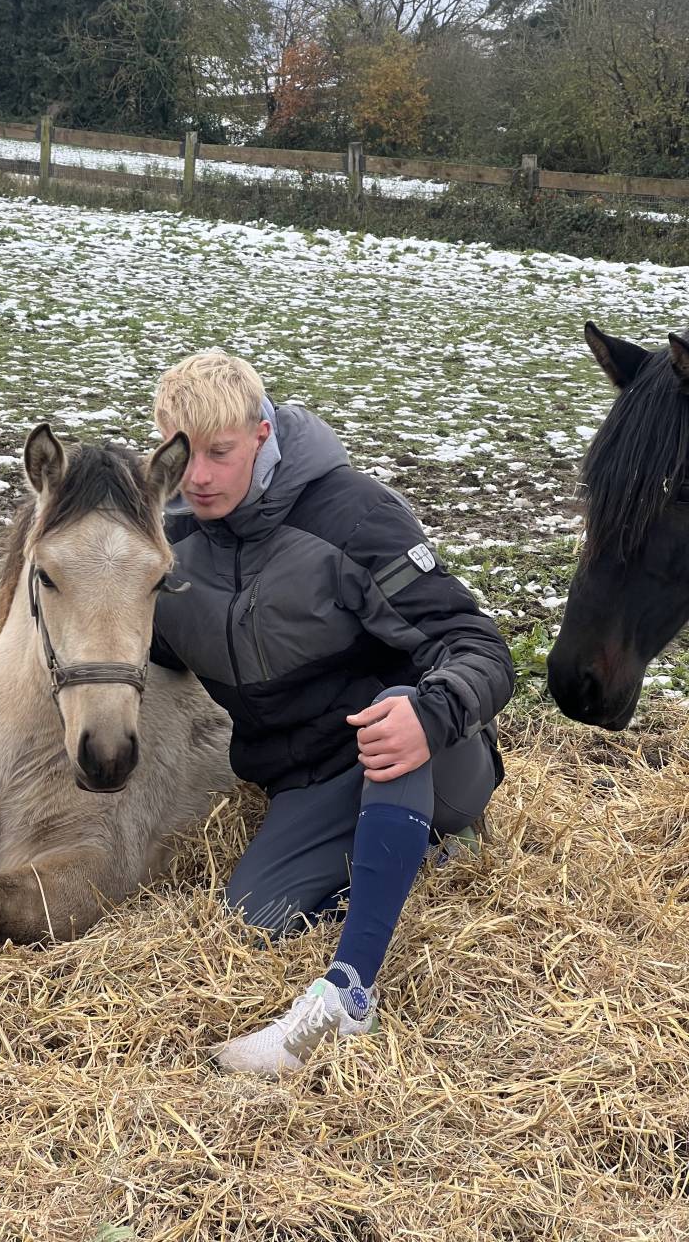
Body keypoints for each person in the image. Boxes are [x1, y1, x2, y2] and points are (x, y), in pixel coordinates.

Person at [149, 350, 514, 1075]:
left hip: (435, 753)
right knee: (251, 921)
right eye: (183, 456)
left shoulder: (353, 514)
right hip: (313, 778)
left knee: (392, 706)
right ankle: (421, 855)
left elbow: (481, 648)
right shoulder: (168, 546)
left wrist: (433, 715)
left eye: (220, 454)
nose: (199, 477)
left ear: (261, 434)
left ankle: (348, 997)